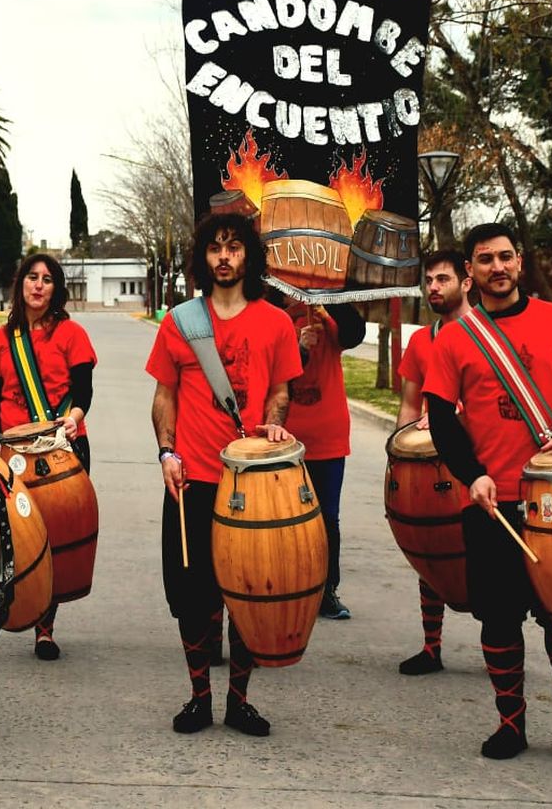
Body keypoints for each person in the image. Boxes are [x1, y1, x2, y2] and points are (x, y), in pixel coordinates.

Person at [424, 223, 552, 766]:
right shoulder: (455, 337)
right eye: (485, 260)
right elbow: (440, 419)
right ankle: (511, 724)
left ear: (519, 262)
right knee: (499, 620)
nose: (497, 268)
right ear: (470, 272)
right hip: (490, 503)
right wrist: (471, 473)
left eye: (505, 257)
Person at [146, 211, 301, 737]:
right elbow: (164, 395)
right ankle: (199, 698)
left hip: (252, 481)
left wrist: (274, 426)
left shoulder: (276, 322)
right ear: (203, 258)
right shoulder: (180, 321)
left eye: (234, 247)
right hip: (192, 477)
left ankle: (239, 701)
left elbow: (281, 389)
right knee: (194, 596)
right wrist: (167, 452)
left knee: (249, 593)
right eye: (215, 248)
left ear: (248, 256)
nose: (224, 256)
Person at [0, 252, 97, 660]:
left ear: (56, 288)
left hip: (62, 447)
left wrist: (75, 417)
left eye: (47, 279)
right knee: (20, 536)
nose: (39, 285)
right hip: (14, 451)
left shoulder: (71, 334)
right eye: (32, 277)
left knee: (57, 537)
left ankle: (45, 627)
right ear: (21, 283)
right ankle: (22, 605)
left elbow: (83, 391)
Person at [393, 249, 472, 675]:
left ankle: (500, 647)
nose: (434, 288)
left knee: (482, 557)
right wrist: (398, 453)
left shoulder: (488, 335)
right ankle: (431, 647)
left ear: (466, 283)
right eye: (429, 281)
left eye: (443, 279)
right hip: (430, 466)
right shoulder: (421, 341)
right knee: (430, 548)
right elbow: (409, 405)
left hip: (480, 463)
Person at [277, 294, 366, 620]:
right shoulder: (278, 318)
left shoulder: (331, 311)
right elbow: (275, 371)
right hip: (285, 436)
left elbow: (353, 335)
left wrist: (326, 309)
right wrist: (299, 348)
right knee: (284, 519)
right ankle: (287, 586)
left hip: (328, 436)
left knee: (327, 517)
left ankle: (327, 590)